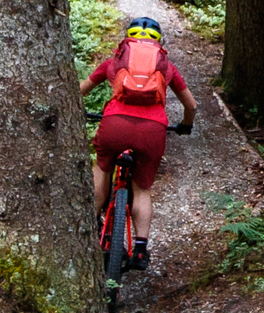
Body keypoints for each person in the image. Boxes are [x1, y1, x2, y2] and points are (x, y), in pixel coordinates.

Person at [83, 14, 194, 244]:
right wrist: (186, 124)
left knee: (102, 168)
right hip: (152, 130)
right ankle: (141, 246)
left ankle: (91, 223)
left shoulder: (113, 63)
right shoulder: (166, 68)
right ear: (159, 43)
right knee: (142, 189)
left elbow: (81, 89)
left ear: (127, 41)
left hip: (114, 125)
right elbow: (191, 105)